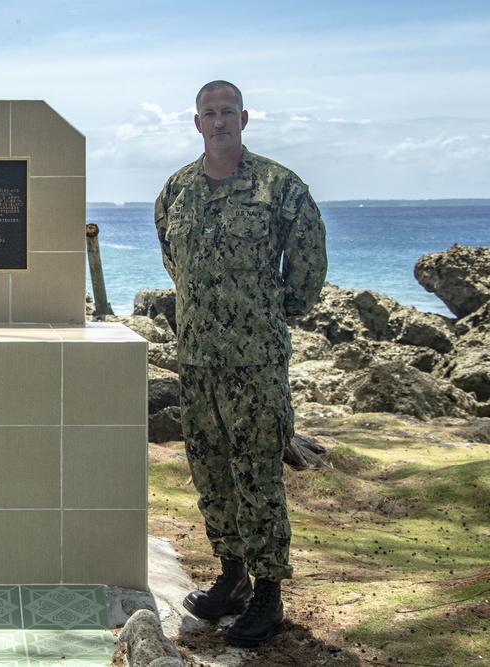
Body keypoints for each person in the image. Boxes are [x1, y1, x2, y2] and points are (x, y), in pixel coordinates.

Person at [154, 81, 327, 646]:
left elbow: (306, 266)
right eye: (210, 113)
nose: (220, 121)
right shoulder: (176, 191)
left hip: (256, 365)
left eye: (228, 112)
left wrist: (268, 313)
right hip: (198, 362)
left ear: (244, 118)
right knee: (211, 472)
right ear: (196, 122)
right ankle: (231, 578)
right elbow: (172, 261)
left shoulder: (280, 187)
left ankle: (269, 593)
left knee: (257, 475)